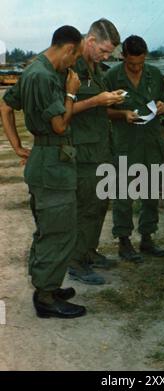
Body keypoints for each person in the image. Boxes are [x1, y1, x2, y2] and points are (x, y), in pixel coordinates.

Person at [0, 26, 86, 318]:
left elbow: (6, 105)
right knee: (57, 231)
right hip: (52, 165)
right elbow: (60, 125)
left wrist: (16, 144)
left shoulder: (34, 69)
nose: (72, 66)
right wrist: (71, 94)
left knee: (51, 227)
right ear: (68, 49)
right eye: (73, 58)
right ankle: (46, 298)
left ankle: (47, 284)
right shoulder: (43, 76)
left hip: (48, 161)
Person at [67, 19, 125, 285]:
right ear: (90, 42)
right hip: (84, 152)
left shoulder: (96, 67)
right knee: (85, 206)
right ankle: (76, 261)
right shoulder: (71, 66)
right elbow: (62, 110)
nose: (106, 57)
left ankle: (89, 251)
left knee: (99, 204)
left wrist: (109, 99)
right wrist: (98, 100)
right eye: (103, 51)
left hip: (102, 147)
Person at [105, 35, 164, 261]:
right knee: (124, 193)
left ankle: (147, 238)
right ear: (123, 57)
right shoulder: (112, 76)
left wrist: (163, 106)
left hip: (151, 141)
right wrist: (122, 114)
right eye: (131, 64)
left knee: (151, 192)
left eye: (140, 63)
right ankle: (123, 241)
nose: (136, 68)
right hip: (125, 142)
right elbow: (102, 110)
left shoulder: (155, 75)